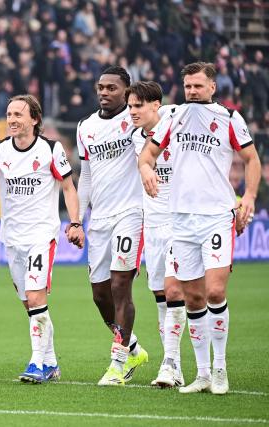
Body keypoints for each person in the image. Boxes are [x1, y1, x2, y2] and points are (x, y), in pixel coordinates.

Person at [139, 62, 261, 395]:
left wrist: (248, 196)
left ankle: (221, 370)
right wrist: (147, 170)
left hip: (216, 216)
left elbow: (252, 159)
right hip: (181, 219)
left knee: (215, 292)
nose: (192, 91)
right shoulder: (173, 118)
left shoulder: (229, 119)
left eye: (197, 85)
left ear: (212, 87)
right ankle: (203, 374)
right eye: (187, 85)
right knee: (192, 298)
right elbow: (147, 155)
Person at [0, 94, 84, 383]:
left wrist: (75, 222)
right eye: (9, 114)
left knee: (36, 297)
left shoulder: (50, 149)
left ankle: (36, 364)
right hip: (12, 237)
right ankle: (51, 362)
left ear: (34, 119)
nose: (11, 119)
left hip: (41, 234)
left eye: (18, 115)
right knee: (31, 305)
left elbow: (69, 188)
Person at [76, 66, 148, 386]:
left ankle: (117, 365)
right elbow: (86, 176)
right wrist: (77, 219)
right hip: (99, 219)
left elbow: (146, 156)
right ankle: (133, 348)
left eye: (112, 88)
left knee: (121, 286)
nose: (105, 92)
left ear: (127, 91)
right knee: (100, 295)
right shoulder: (85, 127)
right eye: (101, 87)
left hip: (130, 213)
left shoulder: (134, 122)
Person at [127, 81, 185, 387]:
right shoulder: (135, 138)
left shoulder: (178, 121)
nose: (133, 111)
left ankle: (169, 363)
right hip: (153, 224)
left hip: (181, 222)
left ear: (156, 105)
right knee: (161, 296)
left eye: (139, 105)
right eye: (131, 106)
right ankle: (174, 368)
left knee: (175, 291)